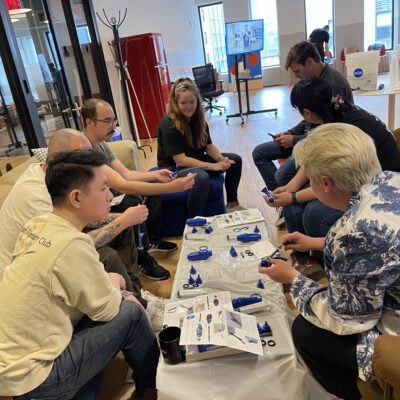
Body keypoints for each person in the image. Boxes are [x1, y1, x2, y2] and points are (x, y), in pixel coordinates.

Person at [0, 149, 160, 400]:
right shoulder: (71, 244)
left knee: (103, 305)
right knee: (130, 311)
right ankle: (147, 391)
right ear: (76, 197)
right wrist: (117, 282)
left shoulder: (36, 225)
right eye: (103, 189)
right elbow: (108, 309)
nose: (110, 196)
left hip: (11, 370)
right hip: (34, 379)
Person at [258, 123, 400, 400]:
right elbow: (384, 248)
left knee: (306, 332)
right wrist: (316, 242)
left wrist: (292, 279)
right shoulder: (392, 180)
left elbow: (348, 320)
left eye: (309, 180)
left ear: (325, 183)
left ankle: (350, 393)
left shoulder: (353, 231)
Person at [0, 129, 152, 306]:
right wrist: (123, 219)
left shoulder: (48, 174)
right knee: (107, 255)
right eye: (82, 157)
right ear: (58, 159)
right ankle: (136, 307)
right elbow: (72, 246)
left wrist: (122, 219)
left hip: (57, 247)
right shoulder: (38, 196)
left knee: (121, 227)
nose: (89, 164)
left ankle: (136, 294)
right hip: (33, 277)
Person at [266, 77, 400, 264]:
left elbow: (337, 180)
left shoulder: (345, 127)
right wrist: (290, 188)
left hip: (375, 185)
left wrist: (294, 196)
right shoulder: (333, 109)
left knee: (313, 211)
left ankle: (325, 263)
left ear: (307, 112)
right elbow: (320, 165)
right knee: (297, 198)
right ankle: (307, 257)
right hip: (377, 182)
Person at [82, 99, 195, 281]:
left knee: (152, 189)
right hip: (95, 200)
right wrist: (171, 187)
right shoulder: (84, 149)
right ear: (89, 122)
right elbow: (122, 184)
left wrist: (156, 176)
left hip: (108, 193)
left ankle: (150, 240)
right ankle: (142, 258)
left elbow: (126, 173)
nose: (114, 126)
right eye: (107, 121)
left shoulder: (101, 144)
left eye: (114, 120)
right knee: (132, 200)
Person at [252, 41, 353, 200]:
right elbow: (309, 118)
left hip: (325, 145)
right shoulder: (315, 80)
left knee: (281, 176)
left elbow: (330, 134)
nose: (297, 76)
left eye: (297, 71)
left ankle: (292, 201)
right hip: (309, 139)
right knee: (259, 152)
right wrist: (291, 133)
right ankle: (283, 202)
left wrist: (294, 139)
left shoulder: (333, 84)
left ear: (310, 62)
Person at [157, 78, 244, 217]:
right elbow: (180, 160)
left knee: (235, 160)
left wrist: (221, 160)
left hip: (193, 159)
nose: (188, 106)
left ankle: (232, 205)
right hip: (173, 168)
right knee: (201, 177)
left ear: (198, 101)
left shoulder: (198, 118)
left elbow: (208, 146)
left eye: (192, 102)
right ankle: (193, 220)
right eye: (183, 103)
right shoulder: (169, 125)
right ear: (176, 103)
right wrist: (211, 166)